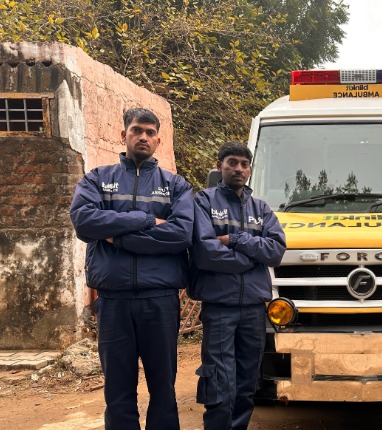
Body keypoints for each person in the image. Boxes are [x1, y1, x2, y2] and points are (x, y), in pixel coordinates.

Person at [70, 108, 194, 430]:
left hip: (161, 300)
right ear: (122, 134)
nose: (143, 137)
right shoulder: (97, 179)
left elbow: (181, 233)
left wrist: (117, 237)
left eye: (150, 132)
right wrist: (147, 220)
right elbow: (84, 221)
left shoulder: (176, 186)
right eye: (137, 130)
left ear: (158, 139)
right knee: (118, 391)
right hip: (113, 302)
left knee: (163, 388)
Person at [188, 141, 286, 429]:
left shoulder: (261, 209)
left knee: (247, 381)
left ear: (250, 169)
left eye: (244, 164)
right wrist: (250, 259)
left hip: (254, 310)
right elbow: (205, 252)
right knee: (219, 381)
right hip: (220, 307)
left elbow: (276, 251)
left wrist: (235, 240)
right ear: (220, 166)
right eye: (232, 162)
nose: (238, 169)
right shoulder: (203, 202)